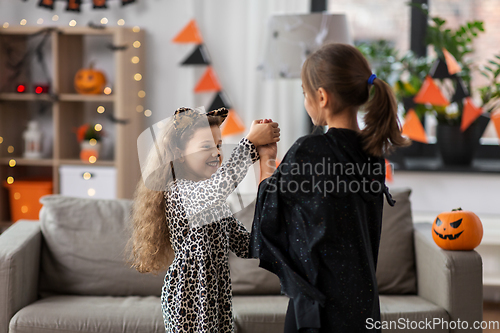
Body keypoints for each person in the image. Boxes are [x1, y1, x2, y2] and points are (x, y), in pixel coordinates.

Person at [250, 43, 410, 333]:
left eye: (304, 93)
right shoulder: (373, 155)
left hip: (318, 309)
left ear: (321, 96)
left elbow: (267, 210)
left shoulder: (309, 150)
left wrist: (267, 158)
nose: (305, 100)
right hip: (363, 306)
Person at [129, 107, 280, 333]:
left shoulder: (214, 204)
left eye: (218, 145)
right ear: (179, 152)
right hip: (187, 300)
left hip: (217, 299)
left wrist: (266, 158)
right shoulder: (179, 191)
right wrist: (249, 142)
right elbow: (219, 187)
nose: (216, 153)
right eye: (206, 146)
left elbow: (249, 245)